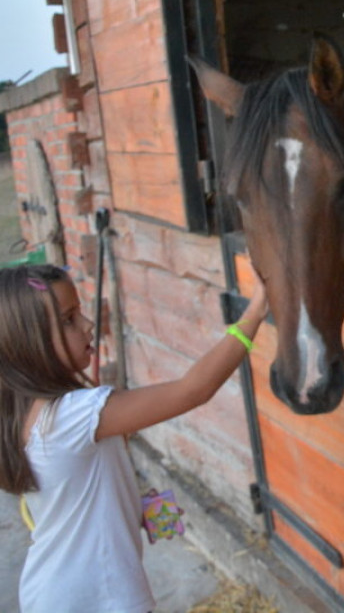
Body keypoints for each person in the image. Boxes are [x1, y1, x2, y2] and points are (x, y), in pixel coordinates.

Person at [0, 262, 268, 613]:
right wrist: (256, 311)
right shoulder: (71, 415)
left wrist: (134, 509)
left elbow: (68, 500)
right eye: (68, 319)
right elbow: (193, 390)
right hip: (96, 598)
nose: (87, 324)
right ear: (28, 342)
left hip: (54, 594)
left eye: (79, 312)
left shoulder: (24, 411)